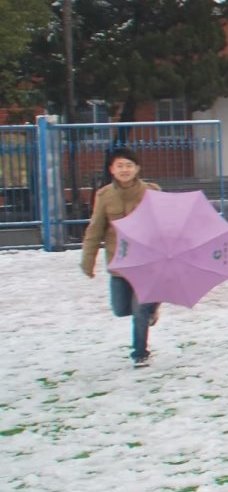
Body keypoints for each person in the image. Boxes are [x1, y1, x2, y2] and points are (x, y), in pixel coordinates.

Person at [80, 147, 162, 367]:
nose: (125, 170)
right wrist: (88, 260)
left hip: (147, 263)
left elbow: (167, 224)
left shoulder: (152, 192)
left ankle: (140, 353)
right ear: (112, 170)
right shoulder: (104, 195)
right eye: (120, 166)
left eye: (129, 165)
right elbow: (95, 230)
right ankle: (152, 309)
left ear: (137, 168)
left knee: (139, 311)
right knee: (121, 309)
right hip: (119, 263)